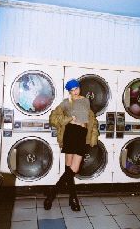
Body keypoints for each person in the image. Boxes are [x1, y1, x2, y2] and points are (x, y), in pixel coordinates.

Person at [44, 78, 99, 211]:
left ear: (80, 88)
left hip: (82, 135)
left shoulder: (86, 101)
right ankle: (73, 198)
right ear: (69, 91)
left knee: (73, 170)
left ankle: (51, 194)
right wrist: (69, 118)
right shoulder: (66, 103)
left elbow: (91, 119)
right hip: (70, 133)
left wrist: (93, 133)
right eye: (71, 90)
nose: (75, 91)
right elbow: (53, 119)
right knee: (69, 168)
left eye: (76, 88)